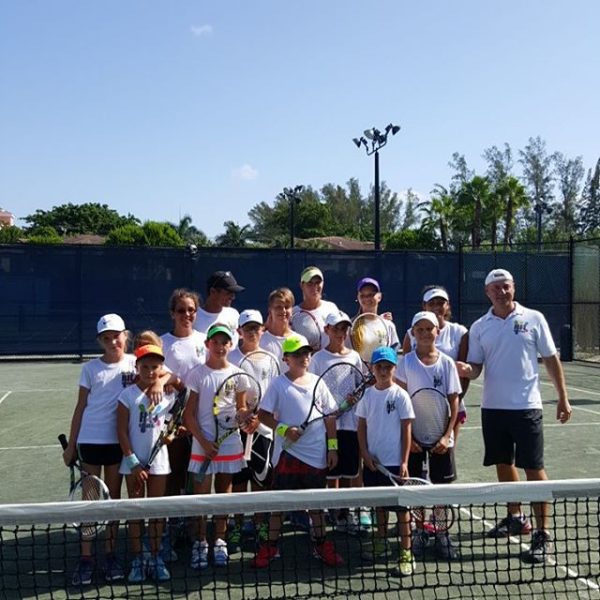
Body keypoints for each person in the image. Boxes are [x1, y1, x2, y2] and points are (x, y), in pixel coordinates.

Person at [456, 268, 572, 564]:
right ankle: (515, 517)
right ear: (487, 292)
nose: (500, 291)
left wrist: (563, 397)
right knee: (503, 464)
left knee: (534, 468)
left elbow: (550, 358)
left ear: (514, 288)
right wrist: (467, 370)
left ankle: (543, 533)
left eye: (505, 286)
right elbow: (477, 367)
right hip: (493, 409)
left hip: (528, 408)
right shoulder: (480, 326)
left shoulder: (534, 318)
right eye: (495, 288)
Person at [251, 334, 343, 569]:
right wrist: (284, 429)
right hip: (287, 456)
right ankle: (270, 547)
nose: (304, 358)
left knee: (316, 507)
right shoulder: (278, 384)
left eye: (306, 353)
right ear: (286, 359)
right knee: (279, 506)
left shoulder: (317, 382)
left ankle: (320, 545)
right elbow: (263, 415)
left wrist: (332, 448)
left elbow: (330, 418)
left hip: (316, 456)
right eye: (297, 354)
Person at [63, 313, 138, 585]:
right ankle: (86, 558)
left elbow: (163, 372)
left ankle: (109, 555)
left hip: (119, 442)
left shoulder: (134, 364)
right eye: (106, 338)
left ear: (125, 336)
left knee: (113, 499)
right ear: (100, 341)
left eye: (116, 336)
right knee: (91, 500)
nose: (112, 341)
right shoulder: (90, 369)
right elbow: (81, 407)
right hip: (90, 441)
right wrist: (71, 446)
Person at [183, 323, 253, 570]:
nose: (220, 346)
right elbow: (188, 416)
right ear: (207, 344)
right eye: (216, 342)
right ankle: (201, 543)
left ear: (230, 345)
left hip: (230, 442)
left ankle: (220, 540)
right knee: (200, 498)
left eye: (225, 342)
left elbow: (240, 409)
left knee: (224, 494)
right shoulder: (197, 374)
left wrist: (248, 417)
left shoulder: (238, 374)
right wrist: (203, 442)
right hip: (203, 445)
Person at [396, 311, 461, 560]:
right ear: (413, 334)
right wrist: (409, 439)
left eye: (429, 329)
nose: (424, 333)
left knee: (441, 490)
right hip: (414, 440)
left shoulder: (446, 364)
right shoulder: (405, 363)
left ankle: (442, 533)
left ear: (438, 332)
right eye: (419, 329)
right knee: (416, 490)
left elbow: (454, 402)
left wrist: (447, 436)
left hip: (440, 439)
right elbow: (402, 401)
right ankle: (421, 531)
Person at [117, 343, 175, 583]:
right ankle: (138, 558)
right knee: (136, 512)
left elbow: (171, 420)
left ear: (161, 368)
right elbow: (121, 431)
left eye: (155, 367)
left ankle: (154, 556)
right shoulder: (127, 395)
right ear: (137, 367)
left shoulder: (168, 394)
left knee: (157, 512)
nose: (151, 371)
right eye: (146, 366)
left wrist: (172, 432)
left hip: (160, 464)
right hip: (133, 465)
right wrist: (133, 462)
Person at [356, 346, 415, 577]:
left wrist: (404, 461)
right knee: (379, 506)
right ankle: (381, 541)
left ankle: (406, 552)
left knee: (402, 511)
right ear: (373, 369)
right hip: (373, 463)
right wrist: (365, 454)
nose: (383, 371)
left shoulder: (400, 395)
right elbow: (361, 426)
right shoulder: (368, 395)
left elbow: (406, 429)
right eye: (379, 367)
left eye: (387, 367)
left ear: (394, 368)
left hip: (394, 465)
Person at [309, 311, 365, 534]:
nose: (340, 333)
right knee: (332, 472)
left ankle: (347, 511)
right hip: (326, 427)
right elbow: (313, 390)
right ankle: (333, 509)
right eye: (336, 328)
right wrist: (328, 412)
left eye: (344, 328)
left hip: (350, 426)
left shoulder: (354, 357)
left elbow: (360, 386)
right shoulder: (318, 359)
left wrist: (354, 399)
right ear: (327, 330)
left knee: (350, 472)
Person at [227, 309, 274, 549]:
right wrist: (243, 415)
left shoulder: (270, 358)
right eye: (248, 329)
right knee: (238, 481)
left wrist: (259, 419)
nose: (253, 332)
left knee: (260, 478)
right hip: (237, 430)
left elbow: (273, 393)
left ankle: (258, 525)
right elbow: (230, 394)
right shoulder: (232, 358)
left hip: (263, 429)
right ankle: (236, 526)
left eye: (256, 328)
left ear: (263, 330)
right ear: (239, 332)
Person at [402, 286, 469, 438]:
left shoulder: (460, 332)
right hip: (417, 406)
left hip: (449, 404)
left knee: (446, 452)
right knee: (415, 454)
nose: (436, 307)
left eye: (441, 303)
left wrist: (453, 404)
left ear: (448, 306)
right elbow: (406, 372)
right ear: (424, 306)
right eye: (431, 303)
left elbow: (463, 376)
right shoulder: (410, 333)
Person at [292, 266, 339, 349]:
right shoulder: (293, 314)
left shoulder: (332, 308)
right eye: (310, 283)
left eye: (318, 282)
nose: (315, 287)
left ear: (323, 284)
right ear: (302, 285)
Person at [194, 271, 245, 348]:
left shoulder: (233, 314)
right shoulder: (194, 317)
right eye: (228, 293)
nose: (233, 297)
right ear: (213, 291)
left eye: (234, 293)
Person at [354, 277, 400, 350]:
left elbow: (393, 351)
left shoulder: (388, 325)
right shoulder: (352, 326)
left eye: (371, 295)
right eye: (362, 295)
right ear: (358, 298)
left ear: (379, 297)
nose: (366, 298)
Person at [260, 287, 295, 370]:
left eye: (286, 307)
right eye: (278, 307)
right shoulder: (260, 341)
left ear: (292, 310)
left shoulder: (301, 341)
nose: (283, 311)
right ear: (270, 310)